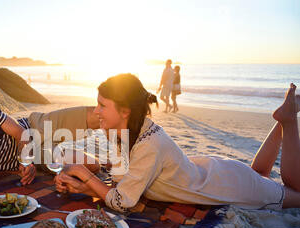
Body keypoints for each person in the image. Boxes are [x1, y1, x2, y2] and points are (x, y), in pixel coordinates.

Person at [54, 73, 300, 211]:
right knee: (259, 173)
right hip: (219, 172)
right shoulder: (122, 133)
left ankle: (288, 122)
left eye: (102, 105)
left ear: (125, 111)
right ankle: (281, 122)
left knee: (296, 193)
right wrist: (82, 186)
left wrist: (81, 173)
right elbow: (120, 183)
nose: (96, 111)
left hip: (232, 187)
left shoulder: (149, 144)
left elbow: (122, 201)